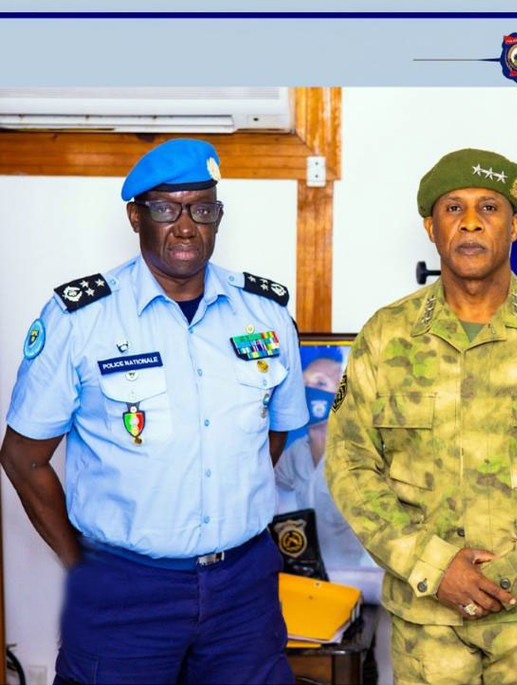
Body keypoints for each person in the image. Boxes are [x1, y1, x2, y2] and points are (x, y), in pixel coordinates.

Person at [324, 148, 517, 685]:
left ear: (515, 226)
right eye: (454, 208)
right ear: (430, 227)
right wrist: (436, 567)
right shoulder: (386, 336)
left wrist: (516, 575)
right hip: (429, 626)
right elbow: (349, 466)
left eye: (489, 208)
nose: (471, 222)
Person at [0, 138, 308, 684]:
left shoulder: (265, 313)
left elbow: (274, 434)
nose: (187, 226)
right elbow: (23, 457)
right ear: (135, 216)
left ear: (218, 217)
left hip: (243, 589)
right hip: (125, 590)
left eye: (203, 209)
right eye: (167, 209)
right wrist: (83, 565)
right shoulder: (80, 320)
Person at [274, 353, 381, 598]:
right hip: (302, 583)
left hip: (357, 584)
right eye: (305, 383)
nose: (310, 391)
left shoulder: (359, 455)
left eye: (321, 383)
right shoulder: (294, 453)